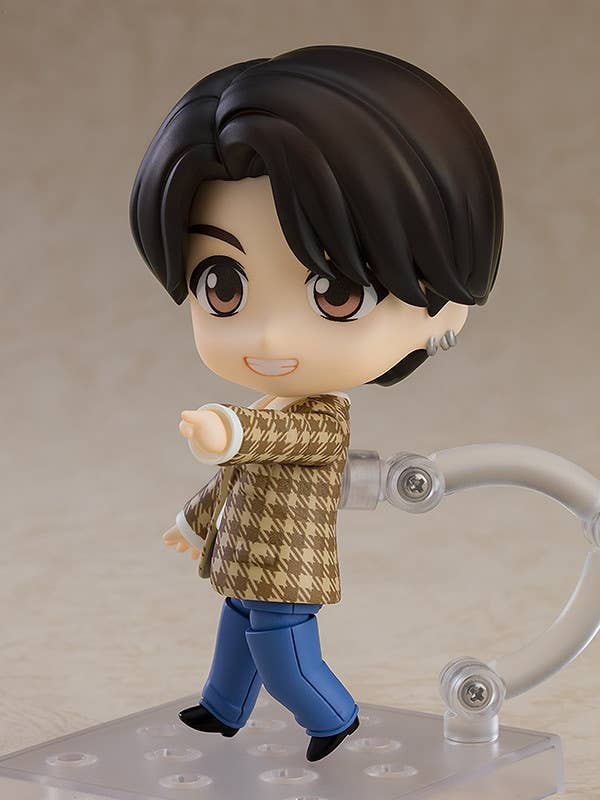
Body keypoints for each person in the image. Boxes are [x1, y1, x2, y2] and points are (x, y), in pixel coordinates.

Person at [129, 44, 503, 761]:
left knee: (281, 651)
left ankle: (332, 717)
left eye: (333, 292)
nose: (269, 336)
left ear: (445, 309)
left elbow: (274, 446)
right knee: (236, 632)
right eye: (222, 286)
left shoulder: (320, 421)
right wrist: (194, 520)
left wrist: (229, 431)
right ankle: (222, 707)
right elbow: (234, 479)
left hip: (287, 564)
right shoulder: (269, 409)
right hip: (247, 559)